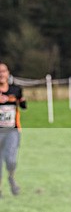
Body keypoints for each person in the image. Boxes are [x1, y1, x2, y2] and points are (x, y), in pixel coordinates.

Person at [0, 61, 26, 197]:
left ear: (8, 73)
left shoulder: (15, 90)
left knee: (11, 160)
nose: (1, 74)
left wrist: (20, 100)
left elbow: (23, 105)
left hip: (12, 131)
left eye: (3, 71)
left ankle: (11, 177)